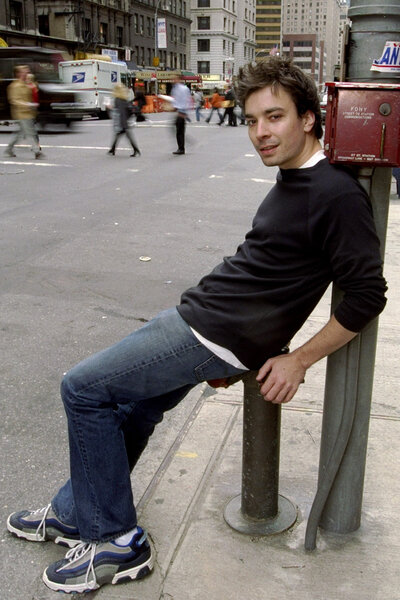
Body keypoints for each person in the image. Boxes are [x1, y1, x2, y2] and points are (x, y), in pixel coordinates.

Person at [6, 57, 387, 594]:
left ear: (308, 119)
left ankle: (115, 539)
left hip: (212, 333)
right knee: (131, 408)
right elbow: (275, 271)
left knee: (83, 388)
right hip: (208, 324)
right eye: (252, 120)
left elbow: (368, 295)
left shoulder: (335, 194)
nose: (260, 133)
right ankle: (75, 513)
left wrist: (296, 358)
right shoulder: (295, 180)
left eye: (274, 117)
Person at [4, 65, 42, 159]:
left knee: (20, 133)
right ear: (19, 73)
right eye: (24, 72)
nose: (26, 73)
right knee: (30, 132)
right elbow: (14, 100)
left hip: (28, 113)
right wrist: (28, 105)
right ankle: (36, 151)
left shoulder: (26, 84)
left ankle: (9, 149)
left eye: (27, 72)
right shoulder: (14, 86)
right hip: (21, 113)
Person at [108, 83, 140, 157]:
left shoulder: (118, 100)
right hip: (124, 119)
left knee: (125, 135)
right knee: (119, 135)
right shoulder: (123, 99)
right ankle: (112, 149)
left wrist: (122, 123)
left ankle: (136, 150)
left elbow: (120, 112)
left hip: (122, 121)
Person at [171, 74, 191, 155]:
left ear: (179, 79)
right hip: (181, 111)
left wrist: (184, 112)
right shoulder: (179, 88)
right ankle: (181, 147)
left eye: (175, 79)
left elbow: (184, 100)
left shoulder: (180, 89)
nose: (173, 80)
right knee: (179, 130)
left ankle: (181, 148)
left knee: (179, 131)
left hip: (181, 112)